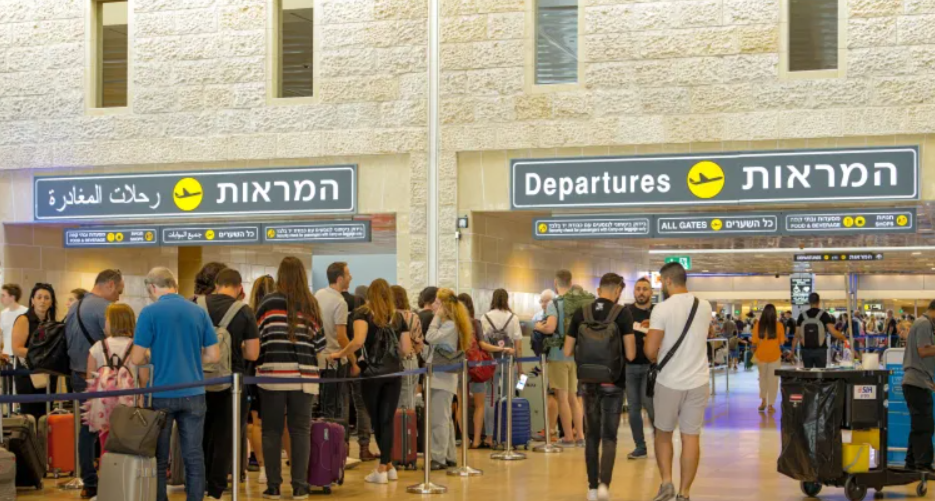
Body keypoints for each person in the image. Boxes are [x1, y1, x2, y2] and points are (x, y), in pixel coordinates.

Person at [130, 268, 220, 501]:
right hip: (194, 392)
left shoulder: (149, 313)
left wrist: (152, 357)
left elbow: (136, 358)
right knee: (193, 456)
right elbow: (214, 355)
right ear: (174, 284)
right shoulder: (198, 311)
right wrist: (191, 358)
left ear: (152, 287)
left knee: (160, 457)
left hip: (161, 393)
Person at [254, 257, 325, 500]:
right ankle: (300, 486)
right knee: (300, 431)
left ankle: (273, 486)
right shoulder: (310, 304)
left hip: (272, 375)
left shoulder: (268, 302)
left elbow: (257, 337)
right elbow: (320, 343)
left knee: (271, 431)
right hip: (304, 377)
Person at [330, 279, 413, 484]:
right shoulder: (398, 317)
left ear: (370, 294)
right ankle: (389, 466)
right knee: (387, 419)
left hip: (372, 375)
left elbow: (358, 341)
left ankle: (382, 468)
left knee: (377, 420)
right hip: (394, 374)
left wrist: (340, 353)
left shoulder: (362, 314)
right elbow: (406, 349)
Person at [644, 263, 713, 501]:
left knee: (663, 434)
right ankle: (684, 493)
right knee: (690, 437)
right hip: (699, 381)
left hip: (669, 381)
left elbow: (650, 351)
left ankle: (666, 483)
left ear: (667, 281)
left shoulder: (661, 309)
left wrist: (655, 348)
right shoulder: (704, 306)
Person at [564, 273, 635, 501]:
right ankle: (605, 484)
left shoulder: (581, 313)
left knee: (592, 435)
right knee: (609, 437)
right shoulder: (622, 313)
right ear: (618, 291)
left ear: (598, 290)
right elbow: (631, 354)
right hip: (613, 382)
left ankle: (592, 488)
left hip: (588, 382)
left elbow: (567, 350)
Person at [199, 269, 260, 500]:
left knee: (200, 432)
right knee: (226, 435)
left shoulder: (196, 305)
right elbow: (253, 354)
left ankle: (198, 481)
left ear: (216, 285)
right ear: (239, 287)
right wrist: (236, 349)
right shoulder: (244, 311)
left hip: (199, 379)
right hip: (231, 383)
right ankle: (216, 486)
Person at [64, 269, 123, 500]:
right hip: (102, 378)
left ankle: (89, 482)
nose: (118, 296)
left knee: (87, 429)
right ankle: (112, 479)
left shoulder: (74, 307)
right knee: (112, 426)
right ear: (110, 285)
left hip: (77, 375)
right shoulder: (106, 308)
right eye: (119, 290)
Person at [535, 270, 588, 447]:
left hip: (558, 355)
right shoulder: (579, 304)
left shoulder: (555, 303)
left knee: (562, 398)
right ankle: (580, 435)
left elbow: (550, 328)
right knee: (574, 398)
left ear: (555, 283)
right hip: (574, 355)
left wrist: (538, 327)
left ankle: (568, 436)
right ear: (571, 283)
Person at [85, 303, 149, 449]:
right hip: (130, 405)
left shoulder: (97, 347)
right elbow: (144, 380)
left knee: (106, 444)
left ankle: (106, 463)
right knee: (129, 444)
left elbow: (90, 379)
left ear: (111, 322)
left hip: (103, 406)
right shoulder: (137, 347)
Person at [424, 289, 473, 470]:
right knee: (444, 418)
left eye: (437, 303)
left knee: (439, 419)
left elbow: (430, 337)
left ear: (445, 306)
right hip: (442, 377)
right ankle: (449, 455)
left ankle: (438, 457)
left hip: (442, 378)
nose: (434, 306)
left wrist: (436, 317)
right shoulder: (452, 325)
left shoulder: (449, 325)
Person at [315, 263, 355, 448]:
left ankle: (323, 446)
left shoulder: (318, 295)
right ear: (340, 279)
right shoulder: (340, 302)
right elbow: (341, 336)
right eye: (348, 274)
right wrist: (353, 360)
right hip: (335, 359)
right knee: (338, 405)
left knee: (323, 406)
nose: (350, 277)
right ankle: (337, 448)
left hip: (320, 359)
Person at [481, 288, 523, 447]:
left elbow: (482, 343)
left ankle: (490, 436)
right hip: (509, 362)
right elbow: (518, 346)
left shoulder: (485, 317)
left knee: (489, 398)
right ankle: (506, 435)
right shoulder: (513, 318)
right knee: (508, 397)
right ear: (507, 300)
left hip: (491, 363)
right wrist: (520, 368)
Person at [11, 283, 58, 422]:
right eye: (39, 297)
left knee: (45, 418)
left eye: (47, 298)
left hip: (47, 375)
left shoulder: (52, 323)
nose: (42, 301)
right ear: (32, 300)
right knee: (30, 418)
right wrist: (42, 355)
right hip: (28, 375)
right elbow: (17, 348)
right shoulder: (23, 320)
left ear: (51, 302)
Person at [247, 275, 275, 484]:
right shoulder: (275, 313)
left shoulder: (249, 314)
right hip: (274, 370)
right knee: (279, 423)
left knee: (255, 423)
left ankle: (263, 466)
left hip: (251, 371)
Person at [624, 277, 655, 460]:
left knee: (650, 406)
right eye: (638, 289)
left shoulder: (657, 312)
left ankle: (660, 443)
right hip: (630, 366)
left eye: (645, 289)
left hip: (650, 367)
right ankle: (640, 447)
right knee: (633, 408)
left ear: (651, 292)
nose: (641, 292)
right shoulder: (626, 312)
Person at [902, 300, 935, 473]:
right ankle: (923, 464)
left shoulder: (924, 323)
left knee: (919, 425)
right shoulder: (924, 323)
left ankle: (911, 463)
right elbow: (924, 350)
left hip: (919, 381)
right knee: (925, 426)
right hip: (916, 382)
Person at [457, 292, 487, 449]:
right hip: (477, 367)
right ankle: (476, 440)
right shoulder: (475, 323)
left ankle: (465, 439)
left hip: (459, 366)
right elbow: (482, 344)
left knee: (462, 404)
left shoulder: (454, 324)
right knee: (479, 405)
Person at [532, 289, 560, 442]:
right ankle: (551, 428)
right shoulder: (537, 316)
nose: (543, 304)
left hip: (554, 359)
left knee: (553, 394)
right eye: (541, 301)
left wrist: (538, 327)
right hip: (542, 361)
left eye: (546, 301)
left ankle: (551, 429)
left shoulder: (555, 316)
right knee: (550, 394)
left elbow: (549, 330)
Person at [793, 293, 846, 369]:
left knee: (808, 373)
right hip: (820, 350)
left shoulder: (802, 316)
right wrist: (843, 337)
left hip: (806, 350)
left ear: (809, 302)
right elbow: (833, 332)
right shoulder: (824, 315)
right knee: (820, 372)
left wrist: (792, 351)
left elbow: (796, 335)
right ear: (819, 301)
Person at [393, 285, 423, 409]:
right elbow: (419, 344)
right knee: (408, 401)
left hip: (391, 361)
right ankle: (406, 422)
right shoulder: (413, 316)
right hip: (410, 361)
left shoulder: (388, 316)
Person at [751, 304, 783, 413]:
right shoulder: (779, 325)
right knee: (773, 380)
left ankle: (763, 401)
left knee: (762, 379)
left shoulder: (758, 325)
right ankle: (770, 405)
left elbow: (754, 342)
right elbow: (781, 342)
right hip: (775, 356)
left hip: (761, 356)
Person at [0, 284, 28, 361]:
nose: (1, 298)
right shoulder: (3, 313)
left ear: (12, 297)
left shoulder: (26, 312)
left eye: (3, 295)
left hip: (21, 358)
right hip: (6, 357)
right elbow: (1, 333)